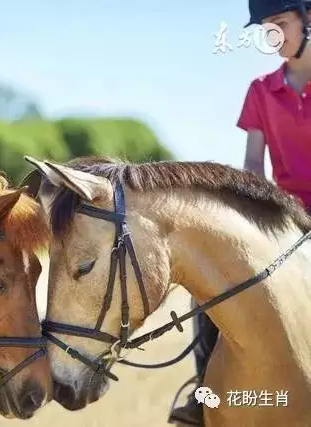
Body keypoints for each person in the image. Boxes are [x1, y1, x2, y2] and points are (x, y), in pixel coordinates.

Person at [169, 0, 311, 424]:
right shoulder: (260, 91)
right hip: (285, 219)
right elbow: (253, 166)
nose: (273, 36)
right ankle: (204, 396)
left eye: (280, 24)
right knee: (214, 286)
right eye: (266, 28)